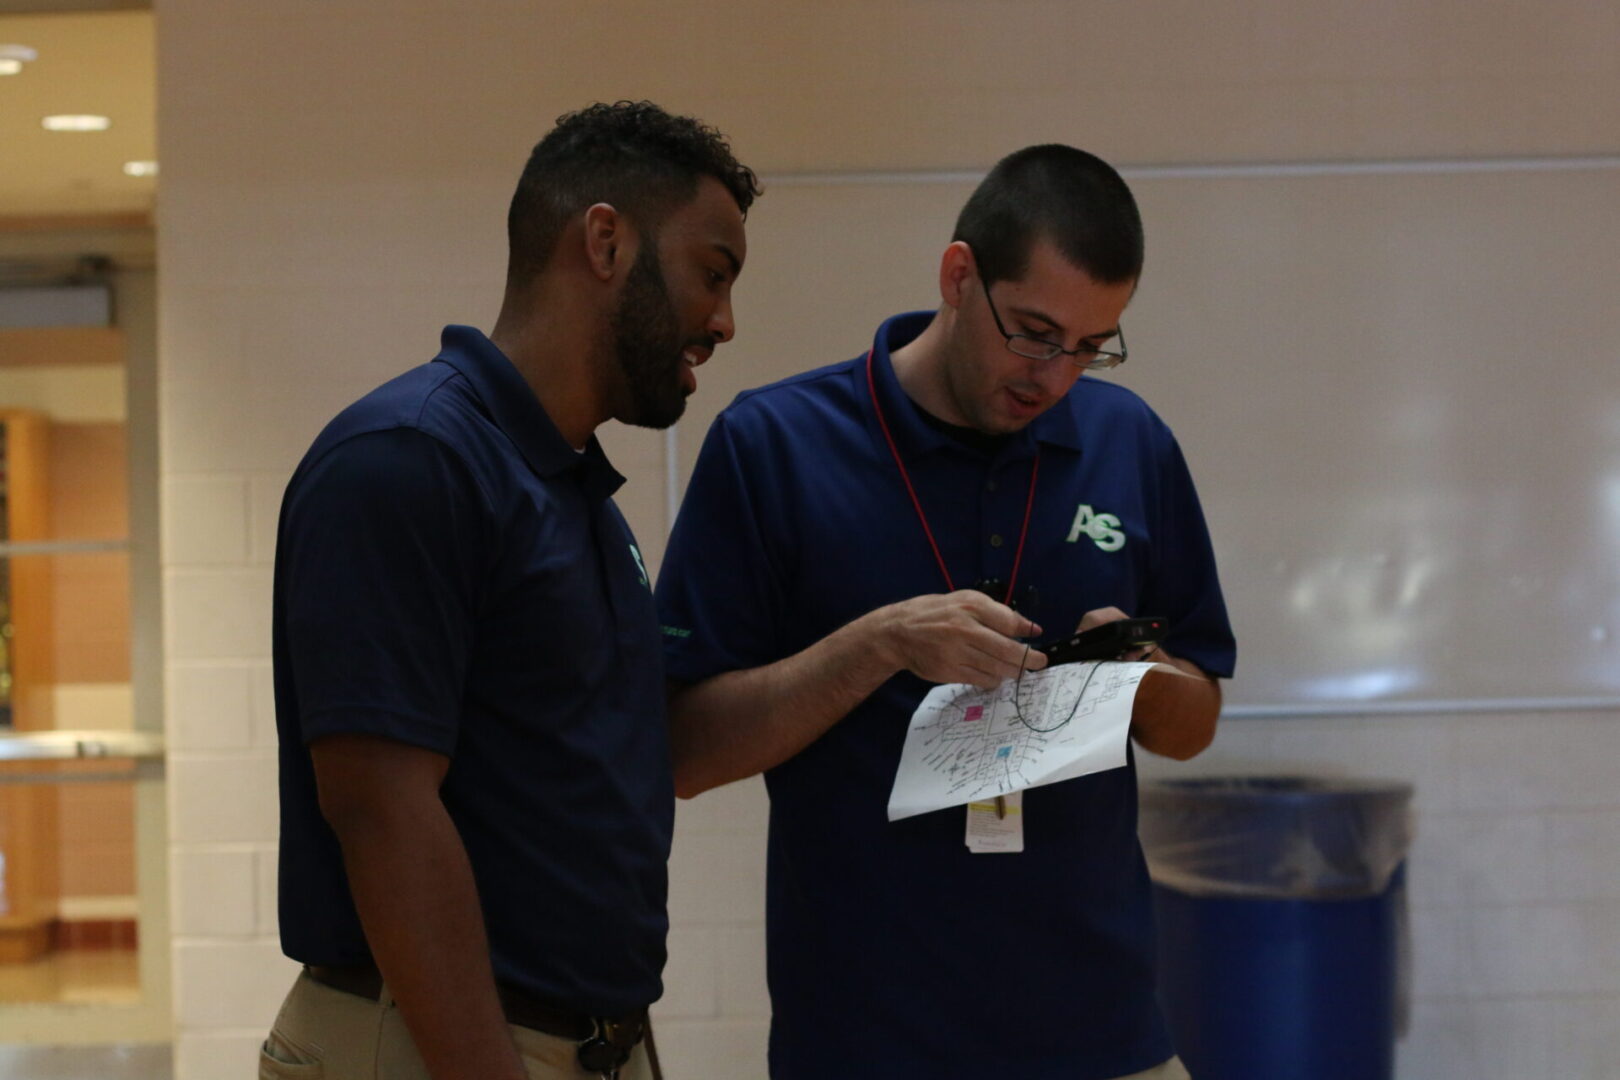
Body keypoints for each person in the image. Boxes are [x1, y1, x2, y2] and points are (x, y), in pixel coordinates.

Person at [655, 144, 1235, 1080]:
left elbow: (1197, 719)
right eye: (1036, 333)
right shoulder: (776, 447)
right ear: (959, 277)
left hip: (1103, 1035)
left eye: (1092, 346)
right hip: (868, 1039)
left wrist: (1134, 679)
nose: (1055, 376)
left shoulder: (1132, 443)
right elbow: (680, 751)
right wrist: (877, 646)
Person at [262, 101, 758, 1080]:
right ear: (606, 241)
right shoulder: (409, 460)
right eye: (714, 271)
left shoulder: (572, 494)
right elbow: (380, 808)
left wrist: (881, 644)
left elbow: (649, 758)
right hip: (430, 1046)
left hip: (576, 1043)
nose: (723, 321)